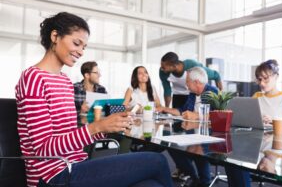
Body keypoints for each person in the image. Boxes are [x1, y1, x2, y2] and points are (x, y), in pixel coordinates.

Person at [15, 12, 173, 187]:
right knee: (158, 161)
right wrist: (95, 127)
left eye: (84, 47)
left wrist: (105, 127)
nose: (81, 52)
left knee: (151, 185)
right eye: (77, 43)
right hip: (52, 176)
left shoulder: (65, 81)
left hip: (76, 164)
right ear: (55, 36)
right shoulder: (33, 78)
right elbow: (44, 149)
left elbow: (69, 137)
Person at [225, 59, 282, 187]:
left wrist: (274, 123)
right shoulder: (257, 96)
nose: (262, 83)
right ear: (273, 170)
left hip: (278, 140)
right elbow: (246, 120)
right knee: (230, 162)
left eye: (266, 79)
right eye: (259, 79)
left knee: (234, 164)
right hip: (255, 140)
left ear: (276, 77)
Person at [157, 67, 219, 187]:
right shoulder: (192, 94)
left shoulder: (213, 92)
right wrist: (165, 109)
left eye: (187, 82)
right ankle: (194, 178)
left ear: (196, 82)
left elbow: (217, 115)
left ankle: (203, 181)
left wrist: (195, 115)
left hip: (209, 134)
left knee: (196, 150)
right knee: (172, 146)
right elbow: (182, 111)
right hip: (193, 131)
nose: (186, 85)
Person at [74, 61, 107, 126]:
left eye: (99, 72)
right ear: (87, 75)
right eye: (96, 73)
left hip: (98, 127)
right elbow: (66, 115)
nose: (99, 75)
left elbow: (106, 112)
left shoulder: (102, 89)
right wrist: (81, 112)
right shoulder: (74, 88)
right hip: (79, 127)